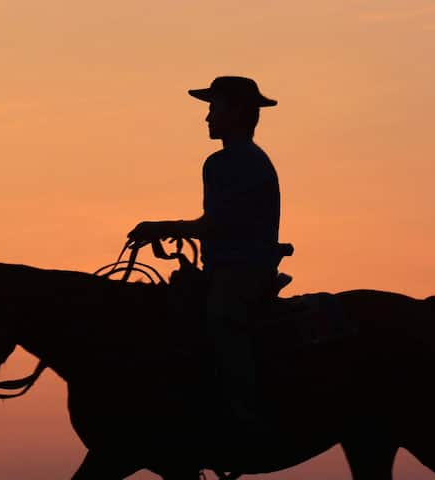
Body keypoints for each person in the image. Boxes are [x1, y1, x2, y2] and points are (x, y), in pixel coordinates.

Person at [127, 75, 282, 426]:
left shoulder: (230, 161)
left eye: (214, 108)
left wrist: (161, 228)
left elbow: (214, 224)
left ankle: (244, 415)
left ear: (236, 111)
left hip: (240, 272)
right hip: (235, 268)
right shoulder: (245, 159)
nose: (208, 117)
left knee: (222, 320)